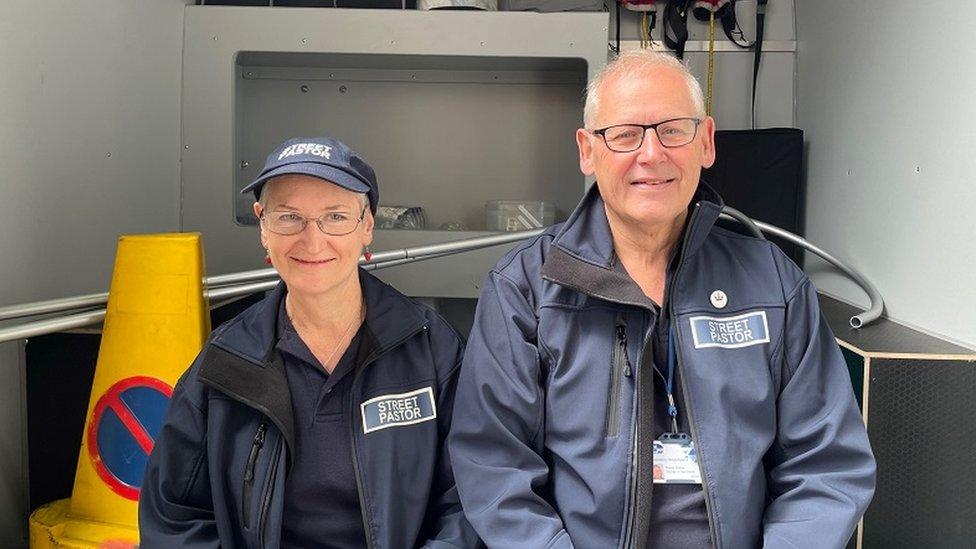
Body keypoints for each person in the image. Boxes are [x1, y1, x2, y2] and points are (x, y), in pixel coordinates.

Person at [449, 51, 876, 548]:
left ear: (706, 142)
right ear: (588, 150)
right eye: (626, 134)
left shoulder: (774, 286)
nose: (651, 154)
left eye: (673, 130)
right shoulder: (526, 288)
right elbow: (494, 467)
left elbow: (826, 466)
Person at [140, 136, 480, 548]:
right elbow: (173, 518)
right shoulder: (227, 361)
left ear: (367, 226)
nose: (312, 241)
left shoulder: (432, 349)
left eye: (335, 217)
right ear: (263, 226)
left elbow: (469, 501)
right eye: (289, 217)